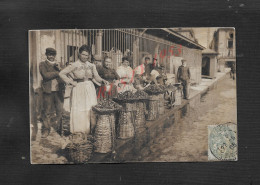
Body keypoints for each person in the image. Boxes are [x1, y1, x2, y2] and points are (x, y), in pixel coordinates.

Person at [59, 45, 109, 134]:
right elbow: (62, 73)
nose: (85, 57)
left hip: (89, 88)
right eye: (83, 54)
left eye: (87, 55)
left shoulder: (91, 65)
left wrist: (102, 80)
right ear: (79, 54)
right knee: (80, 109)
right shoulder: (74, 65)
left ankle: (91, 130)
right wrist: (71, 82)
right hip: (79, 88)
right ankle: (80, 132)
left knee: (91, 108)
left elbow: (96, 76)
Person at [39, 48, 64, 138]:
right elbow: (46, 75)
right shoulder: (42, 64)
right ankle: (46, 130)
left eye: (53, 55)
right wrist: (58, 72)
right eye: (49, 54)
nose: (51, 56)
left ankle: (61, 130)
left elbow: (65, 74)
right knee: (47, 112)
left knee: (60, 111)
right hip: (48, 91)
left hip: (59, 91)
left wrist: (60, 69)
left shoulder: (59, 64)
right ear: (46, 55)